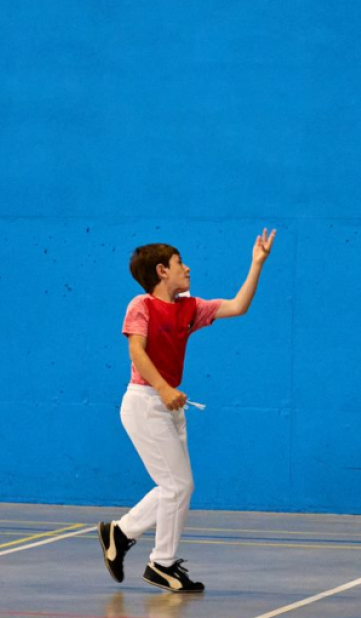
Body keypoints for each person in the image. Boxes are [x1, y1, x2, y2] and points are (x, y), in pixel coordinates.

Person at [99, 229, 276, 592]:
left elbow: (238, 306)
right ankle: (161, 564)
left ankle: (121, 532)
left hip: (170, 406)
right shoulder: (141, 305)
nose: (188, 268)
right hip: (145, 403)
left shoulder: (189, 308)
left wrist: (256, 264)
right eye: (181, 263)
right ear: (163, 271)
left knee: (176, 487)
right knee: (178, 485)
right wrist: (163, 389)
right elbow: (137, 352)